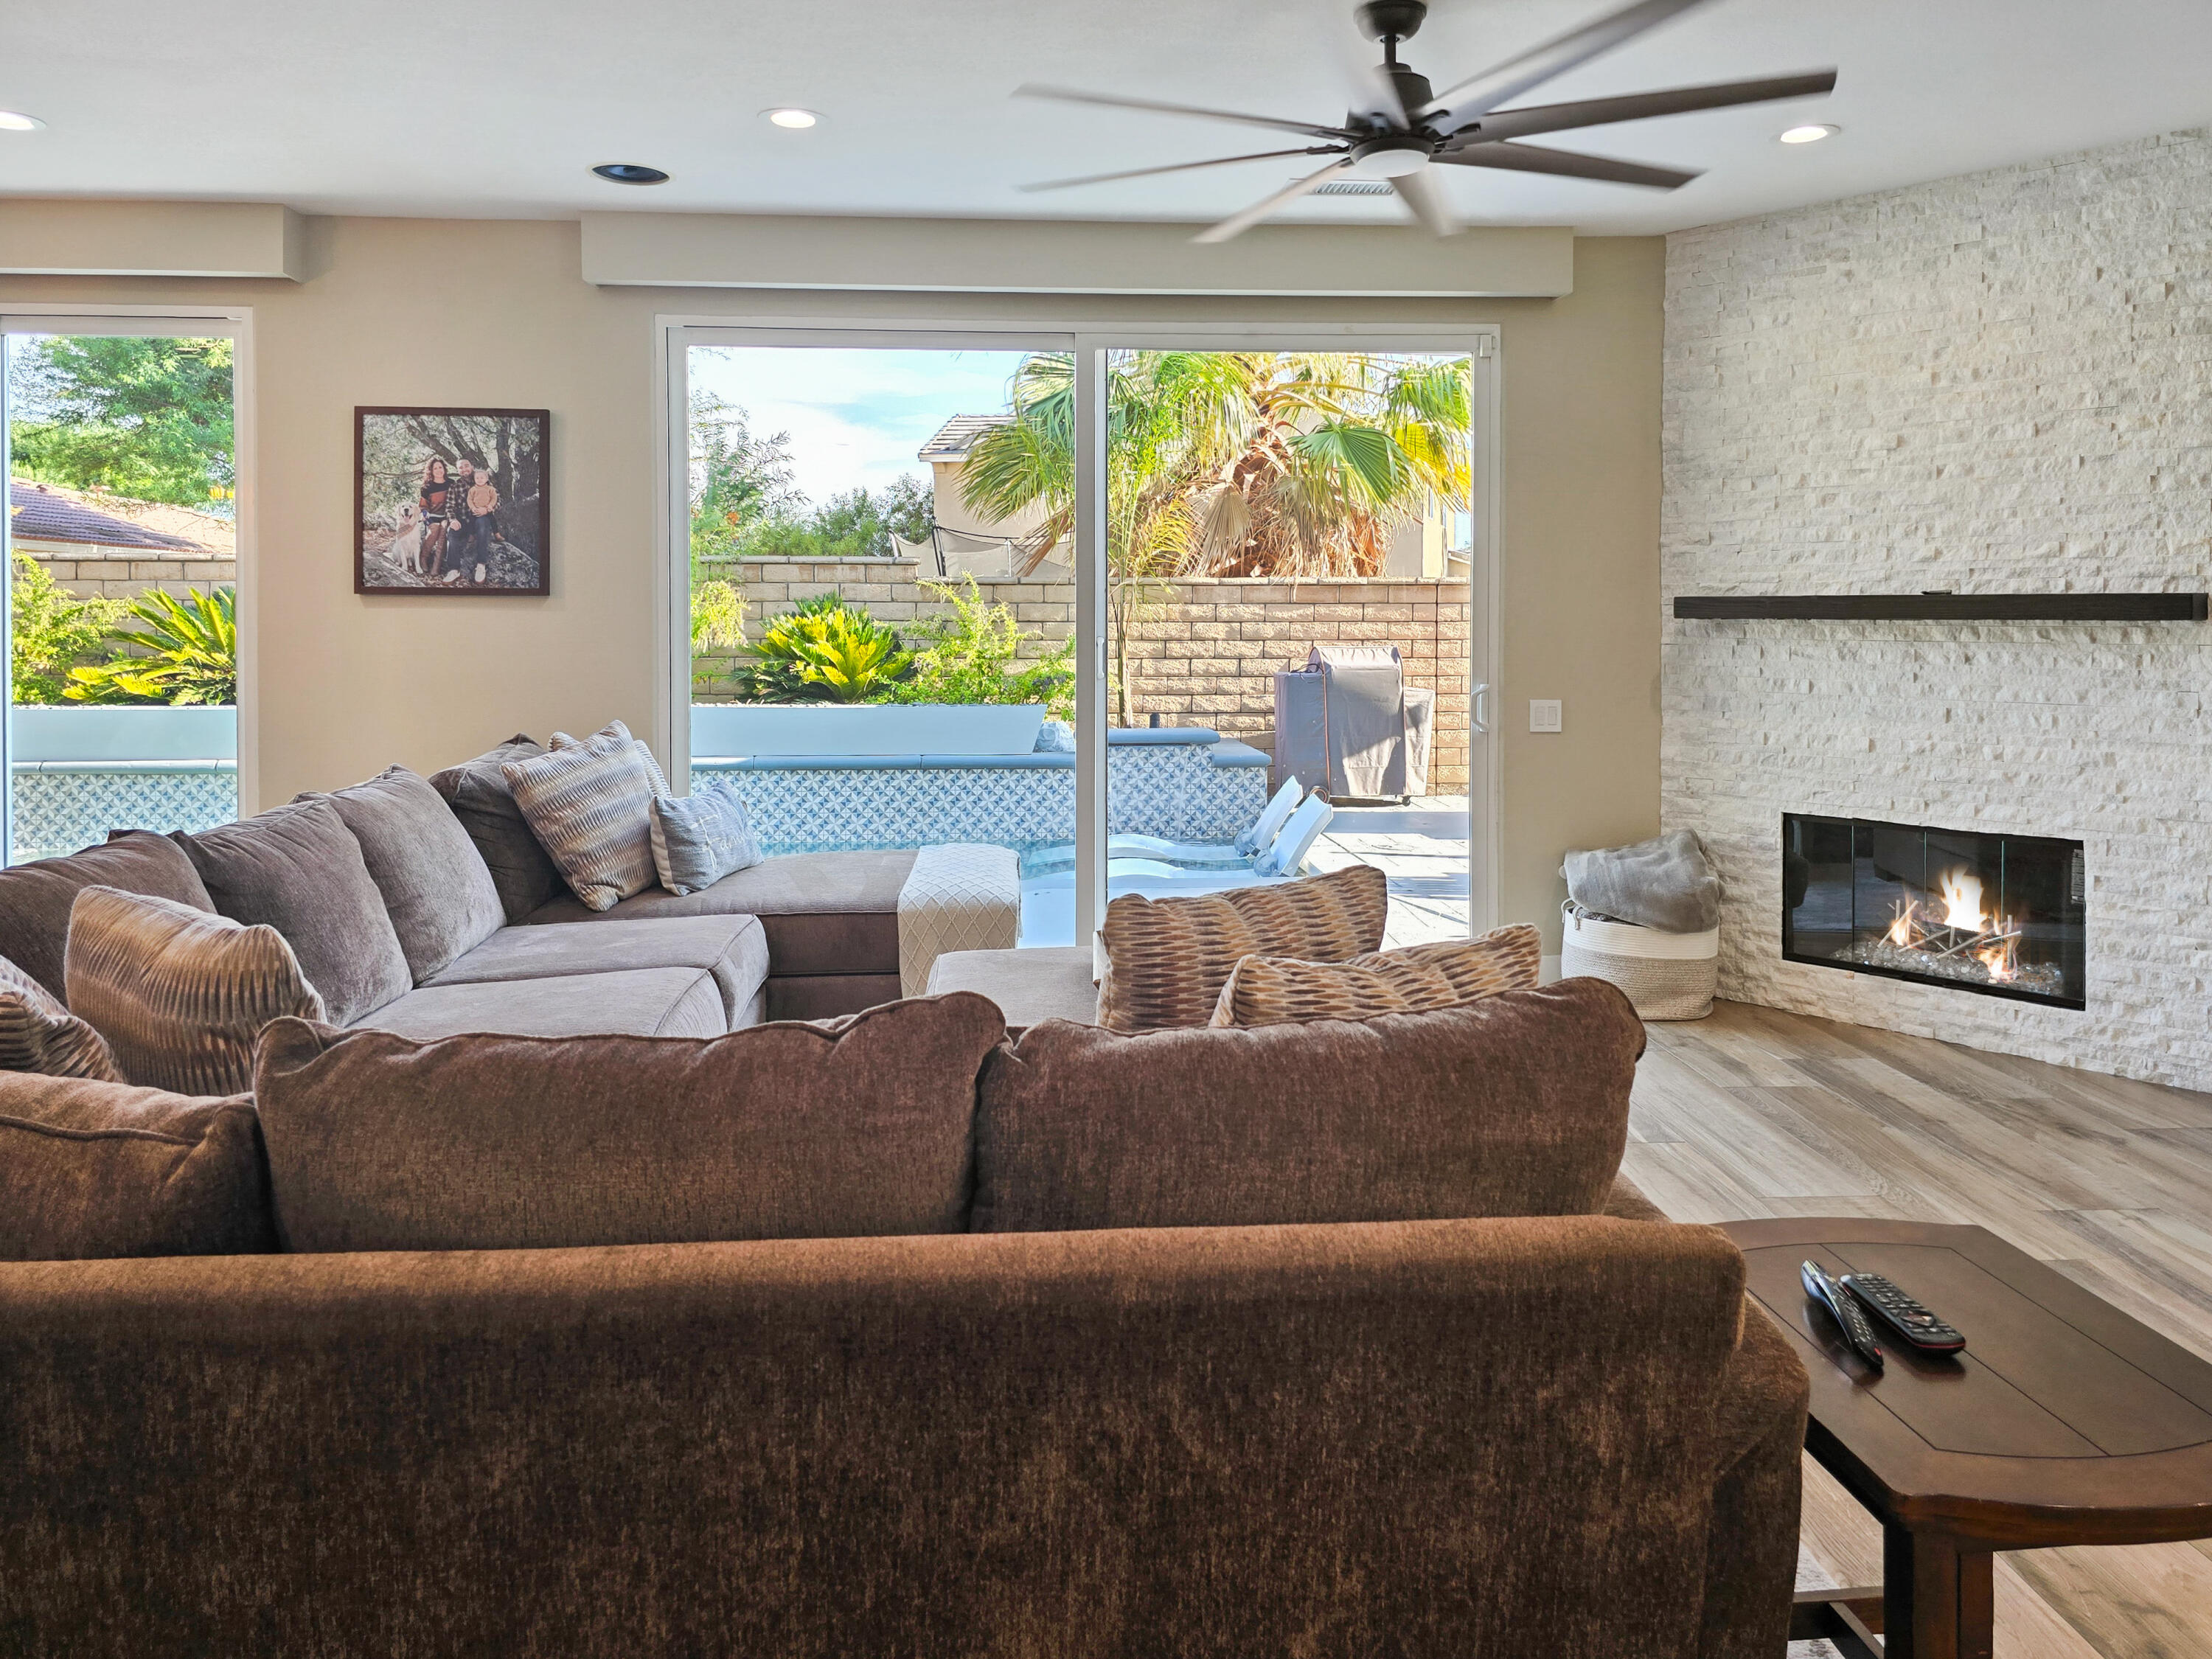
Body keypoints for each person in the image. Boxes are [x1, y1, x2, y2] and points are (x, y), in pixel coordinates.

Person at [459, 462, 500, 584]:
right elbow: (469, 500)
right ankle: (471, 534)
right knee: (473, 522)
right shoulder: (468, 488)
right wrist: (473, 508)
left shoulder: (490, 488)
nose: (480, 480)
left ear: (487, 479)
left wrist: (488, 508)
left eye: (482, 478)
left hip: (486, 512)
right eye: (478, 478)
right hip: (472, 513)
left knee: (485, 524)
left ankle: (481, 564)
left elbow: (496, 499)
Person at [417, 457, 453, 578]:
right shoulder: (427, 488)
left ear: (444, 469)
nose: (438, 470)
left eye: (440, 467)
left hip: (447, 516)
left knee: (443, 530)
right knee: (435, 529)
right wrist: (425, 516)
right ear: (431, 471)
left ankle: (436, 566)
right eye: (435, 468)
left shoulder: (451, 483)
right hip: (431, 516)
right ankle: (424, 558)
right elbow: (423, 507)